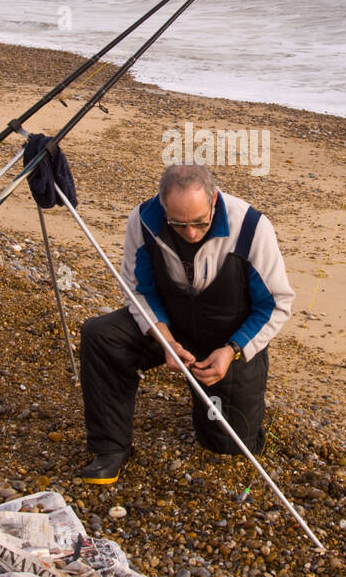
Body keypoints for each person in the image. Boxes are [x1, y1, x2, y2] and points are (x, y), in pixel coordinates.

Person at [78, 163, 294, 484]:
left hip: (228, 336)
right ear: (163, 206)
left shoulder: (251, 227)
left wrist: (233, 350)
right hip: (170, 325)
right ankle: (110, 448)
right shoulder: (143, 220)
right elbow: (139, 290)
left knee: (228, 447)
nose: (191, 233)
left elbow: (275, 303)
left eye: (199, 222)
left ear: (213, 200)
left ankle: (213, 410)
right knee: (100, 335)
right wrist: (164, 338)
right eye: (178, 224)